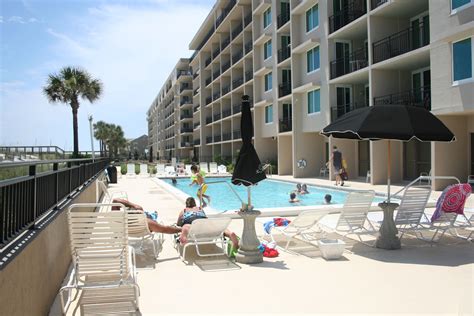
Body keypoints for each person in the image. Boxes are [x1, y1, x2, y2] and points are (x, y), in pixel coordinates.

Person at [112, 198, 182, 234]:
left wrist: (133, 205)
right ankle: (153, 214)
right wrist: (181, 229)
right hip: (147, 221)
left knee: (151, 214)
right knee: (152, 215)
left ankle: (153, 214)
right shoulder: (146, 222)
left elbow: (115, 200)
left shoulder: (119, 220)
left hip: (127, 229)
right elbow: (165, 229)